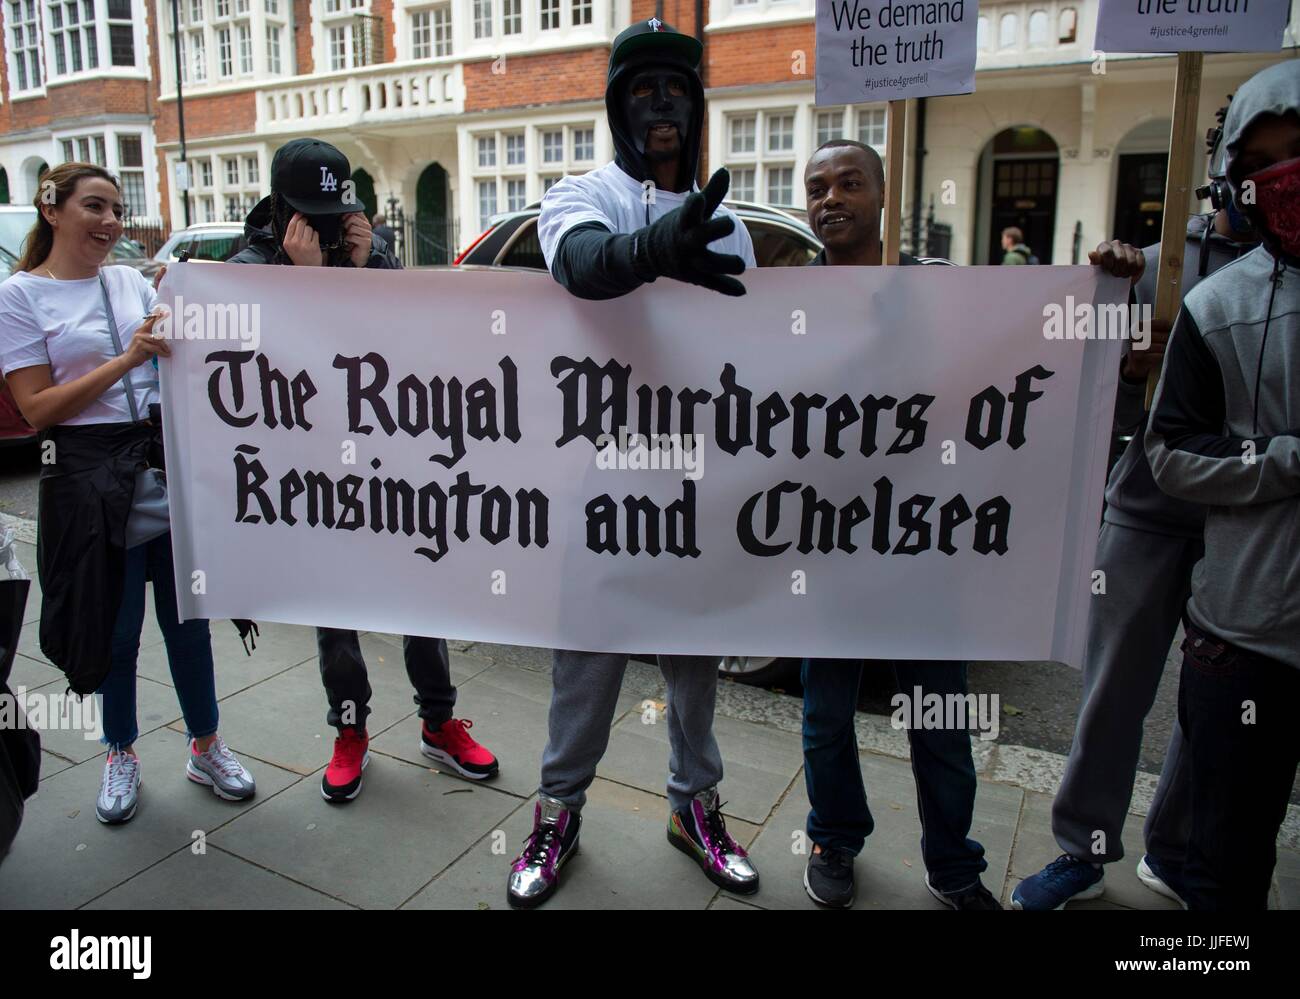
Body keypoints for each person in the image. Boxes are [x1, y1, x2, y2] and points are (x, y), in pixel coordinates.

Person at [798, 140, 1144, 911]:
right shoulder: (782, 302)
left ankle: (953, 863)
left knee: (941, 722)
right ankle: (834, 837)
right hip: (831, 547)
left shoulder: (947, 293)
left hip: (927, 543)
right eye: (817, 187)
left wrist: (1107, 286)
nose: (832, 198)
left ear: (883, 196)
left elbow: (1034, 352)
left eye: (850, 182)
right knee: (826, 716)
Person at [507, 18, 758, 909]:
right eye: (641, 90)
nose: (661, 106)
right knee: (587, 666)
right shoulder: (583, 193)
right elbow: (580, 265)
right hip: (605, 477)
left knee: (693, 667)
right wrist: (653, 251)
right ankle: (557, 810)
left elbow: (751, 352)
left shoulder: (726, 220)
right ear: (616, 106)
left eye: (677, 90)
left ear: (696, 108)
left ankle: (696, 808)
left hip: (693, 482)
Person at [1012, 99, 1259, 912]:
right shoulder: (1153, 266)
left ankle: (1177, 847)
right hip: (1149, 508)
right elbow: (1088, 412)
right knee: (1114, 686)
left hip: (1250, 524)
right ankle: (1081, 848)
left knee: (1216, 698)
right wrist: (1119, 354)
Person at [228, 138, 499, 802]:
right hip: (313, 473)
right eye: (312, 210)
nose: (325, 221)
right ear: (283, 207)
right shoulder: (252, 265)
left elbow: (408, 342)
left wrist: (362, 266)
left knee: (420, 591)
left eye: (334, 207)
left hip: (389, 460)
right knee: (337, 608)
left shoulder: (371, 254)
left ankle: (438, 720)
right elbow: (261, 363)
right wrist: (309, 278)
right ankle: (350, 730)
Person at [0, 163, 257, 824]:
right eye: (95, 207)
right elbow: (35, 409)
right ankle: (120, 751)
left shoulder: (127, 279)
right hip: (89, 483)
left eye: (117, 208)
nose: (112, 222)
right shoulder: (20, 296)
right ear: (51, 210)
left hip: (161, 470)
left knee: (189, 622)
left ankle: (207, 745)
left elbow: (179, 352)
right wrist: (127, 360)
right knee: (115, 633)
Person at [1143, 60, 1300, 910]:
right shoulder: (1218, 308)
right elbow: (1172, 455)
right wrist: (1284, 461)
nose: (1285, 181)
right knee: (1228, 870)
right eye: (1263, 167)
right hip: (1244, 644)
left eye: (1299, 151)